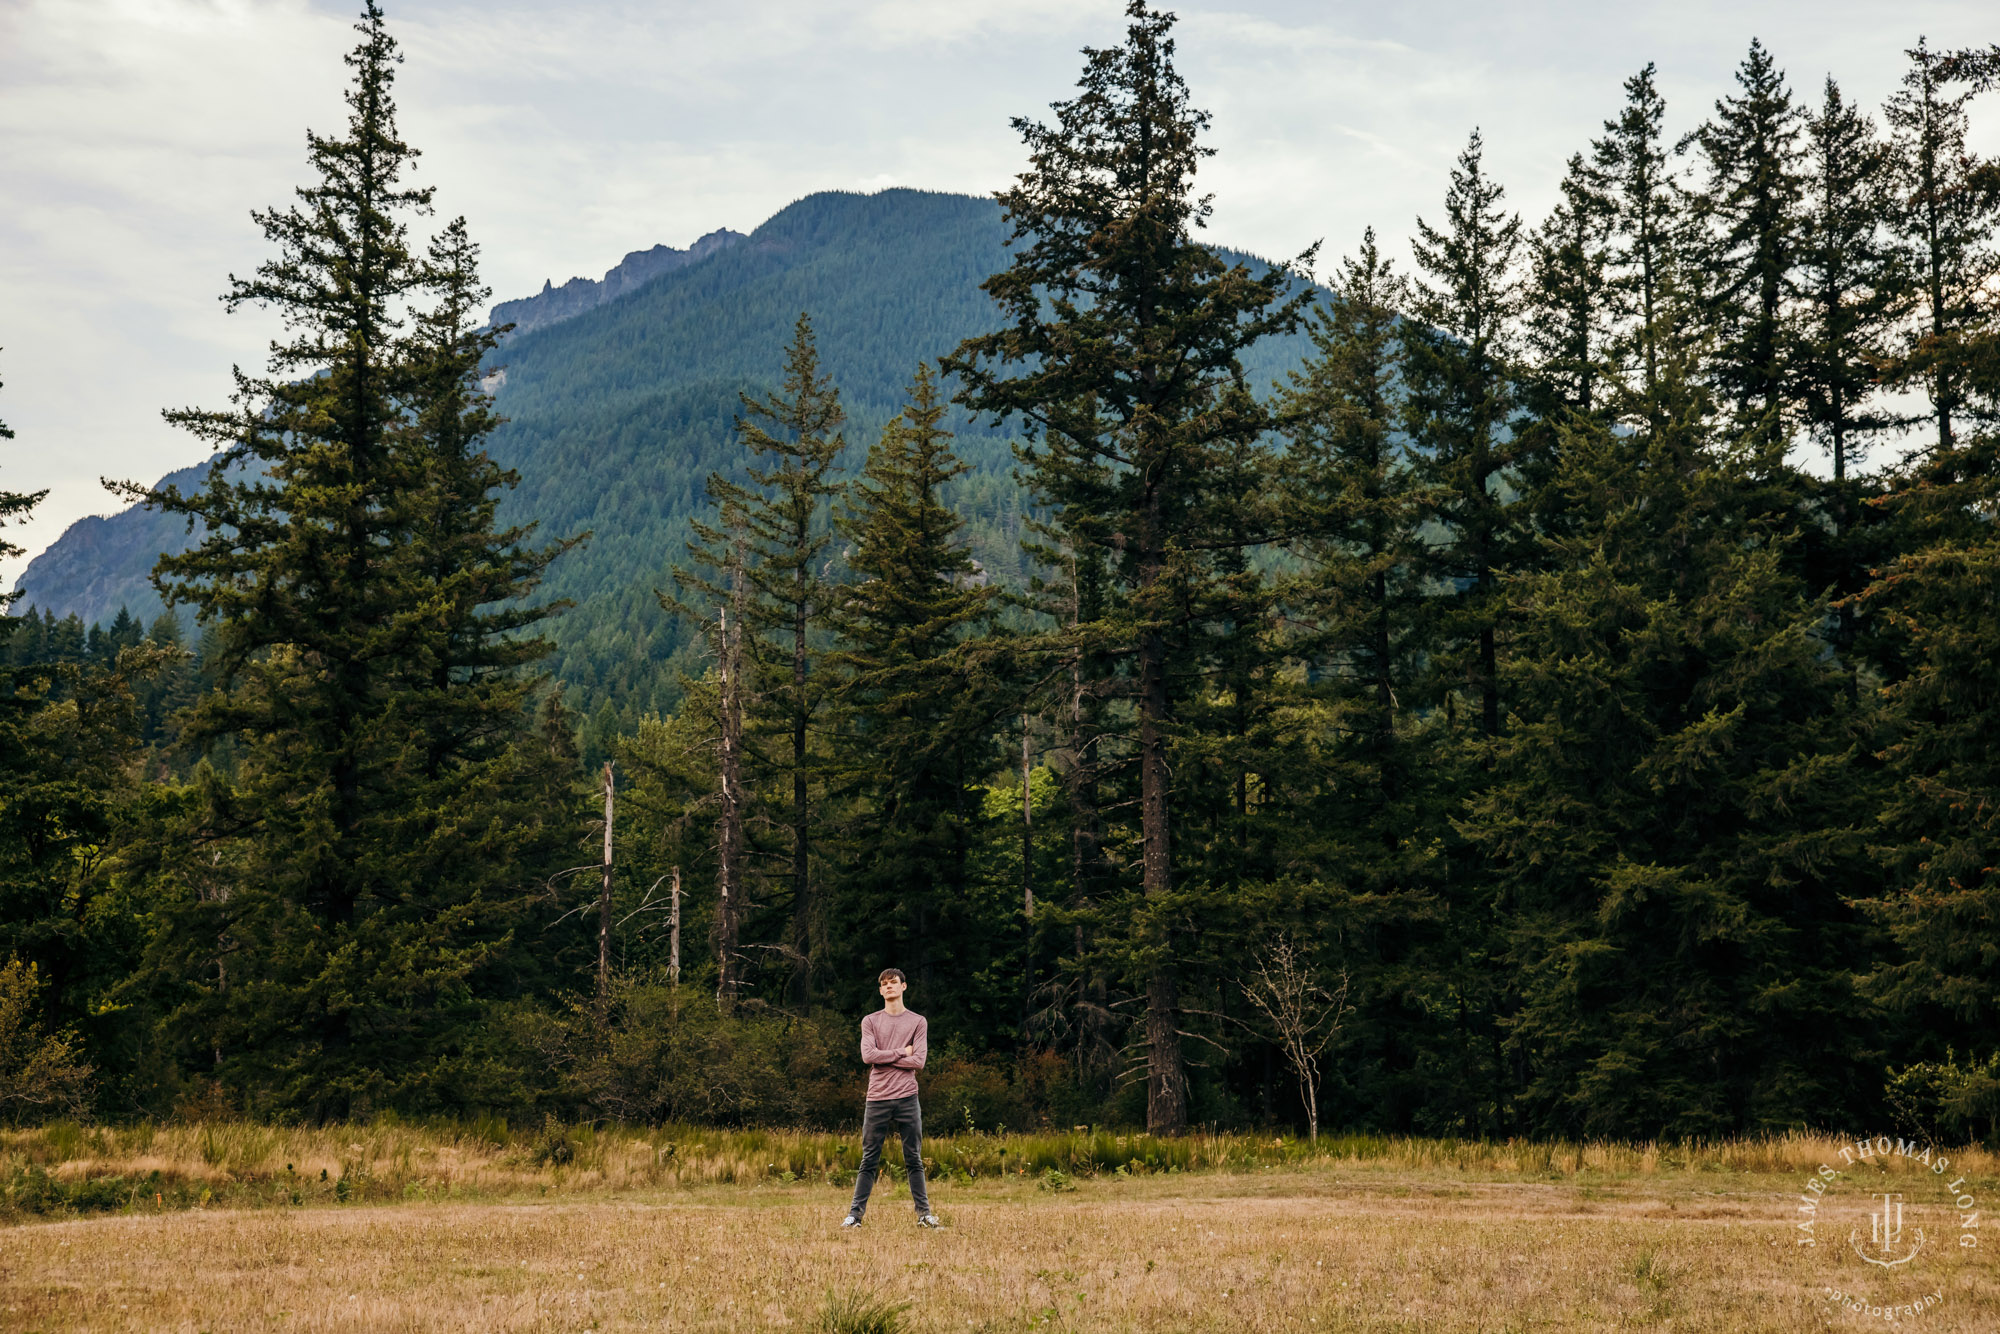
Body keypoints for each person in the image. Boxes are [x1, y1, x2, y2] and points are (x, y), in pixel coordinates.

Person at [842, 967, 939, 1227]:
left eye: (893, 983)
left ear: (903, 987)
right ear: (880, 990)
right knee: (869, 1159)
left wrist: (887, 1057)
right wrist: (901, 1052)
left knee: (914, 1159)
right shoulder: (870, 1021)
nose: (888, 987)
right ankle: (854, 1216)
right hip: (877, 1098)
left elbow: (918, 1061)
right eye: (884, 984)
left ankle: (924, 1215)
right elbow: (868, 1057)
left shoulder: (918, 1022)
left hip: (907, 1097)